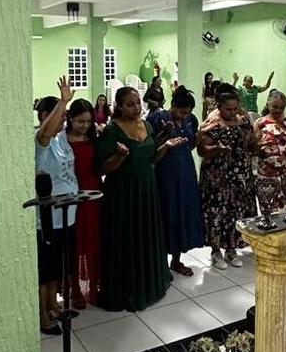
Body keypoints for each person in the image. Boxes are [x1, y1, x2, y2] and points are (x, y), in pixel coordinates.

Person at [96, 87, 183, 311]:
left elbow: (151, 158)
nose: (136, 108)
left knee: (145, 235)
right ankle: (127, 290)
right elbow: (103, 168)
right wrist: (119, 155)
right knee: (127, 239)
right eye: (130, 104)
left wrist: (166, 143)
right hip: (122, 193)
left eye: (137, 103)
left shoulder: (146, 125)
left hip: (147, 189)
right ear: (119, 106)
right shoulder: (112, 130)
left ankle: (148, 284)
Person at [34, 80, 79, 334]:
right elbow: (44, 133)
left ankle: (53, 304)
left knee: (56, 268)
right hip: (47, 219)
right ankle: (42, 314)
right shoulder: (40, 140)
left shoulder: (61, 137)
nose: (64, 119)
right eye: (60, 115)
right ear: (44, 116)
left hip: (67, 214)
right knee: (45, 270)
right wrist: (62, 101)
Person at [147, 86, 205, 276]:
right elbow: (150, 148)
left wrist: (200, 136)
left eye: (187, 113)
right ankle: (160, 263)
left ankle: (177, 260)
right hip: (165, 171)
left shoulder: (191, 120)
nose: (184, 116)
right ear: (172, 105)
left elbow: (190, 145)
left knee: (183, 211)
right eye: (181, 112)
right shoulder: (158, 118)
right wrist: (165, 135)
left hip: (186, 171)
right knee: (166, 211)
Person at [198, 90, 258, 270]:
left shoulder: (244, 120)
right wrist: (217, 148)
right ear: (219, 106)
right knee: (218, 213)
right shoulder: (212, 123)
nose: (232, 112)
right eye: (228, 109)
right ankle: (216, 251)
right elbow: (202, 150)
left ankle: (232, 249)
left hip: (240, 175)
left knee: (236, 212)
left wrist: (258, 144)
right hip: (218, 177)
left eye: (235, 108)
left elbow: (250, 142)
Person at [66, 98, 102, 308]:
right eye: (80, 121)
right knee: (76, 242)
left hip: (94, 193)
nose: (85, 125)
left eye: (88, 121)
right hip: (73, 195)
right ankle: (76, 289)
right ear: (70, 119)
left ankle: (95, 285)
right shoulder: (62, 141)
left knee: (94, 240)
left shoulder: (93, 138)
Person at [253, 90, 286, 209]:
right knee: (268, 207)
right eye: (275, 107)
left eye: (281, 107)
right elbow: (253, 148)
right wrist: (262, 145)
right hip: (267, 174)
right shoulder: (260, 123)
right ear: (268, 105)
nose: (278, 110)